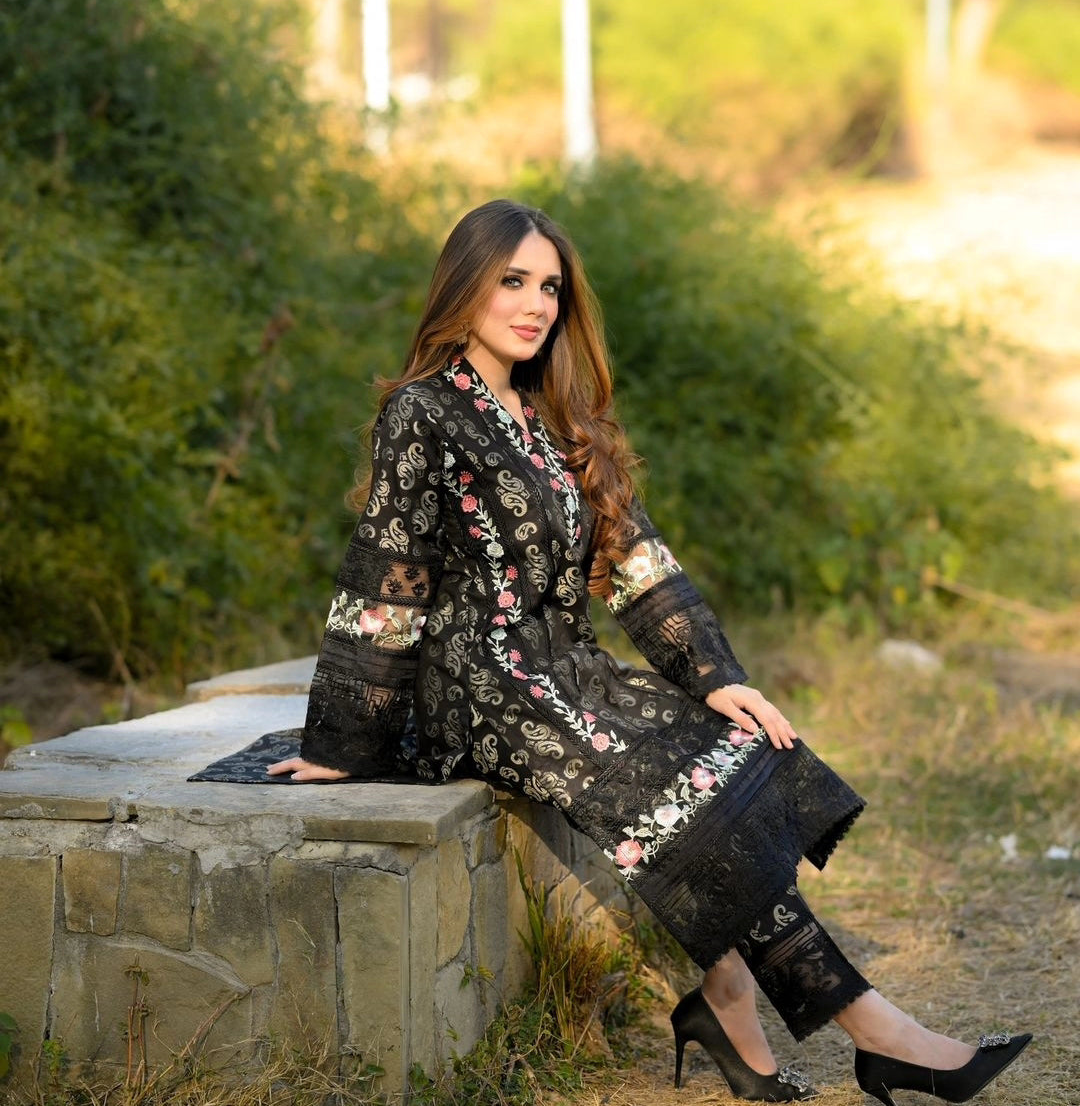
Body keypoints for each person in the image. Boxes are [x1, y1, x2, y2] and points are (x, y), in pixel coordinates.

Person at [269, 200, 1030, 1104]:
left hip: (564, 668)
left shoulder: (546, 415)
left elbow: (632, 555)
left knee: (731, 751)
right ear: (464, 285)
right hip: (478, 688)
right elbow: (388, 574)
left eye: (550, 287)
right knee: (673, 797)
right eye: (512, 281)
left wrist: (715, 677)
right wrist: (344, 742)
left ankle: (731, 997)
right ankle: (878, 1033)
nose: (536, 304)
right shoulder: (423, 411)